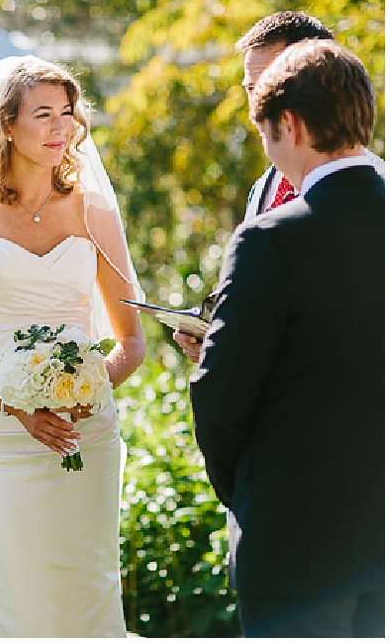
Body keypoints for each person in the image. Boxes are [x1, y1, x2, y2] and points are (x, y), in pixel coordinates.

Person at [0, 56, 145, 637]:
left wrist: (88, 389)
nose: (60, 127)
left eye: (67, 113)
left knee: (84, 584)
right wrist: (16, 405)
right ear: (7, 125)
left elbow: (131, 339)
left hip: (84, 432)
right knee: (3, 584)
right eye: (43, 114)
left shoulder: (94, 211)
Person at [190, 41, 383, 638]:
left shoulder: (270, 239)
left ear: (290, 126)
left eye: (265, 130)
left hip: (296, 537)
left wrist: (246, 490)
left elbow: (220, 396)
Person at [174, 11, 385, 365]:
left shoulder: (378, 190)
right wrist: (221, 338)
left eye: (271, 86)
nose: (258, 104)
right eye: (251, 89)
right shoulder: (263, 187)